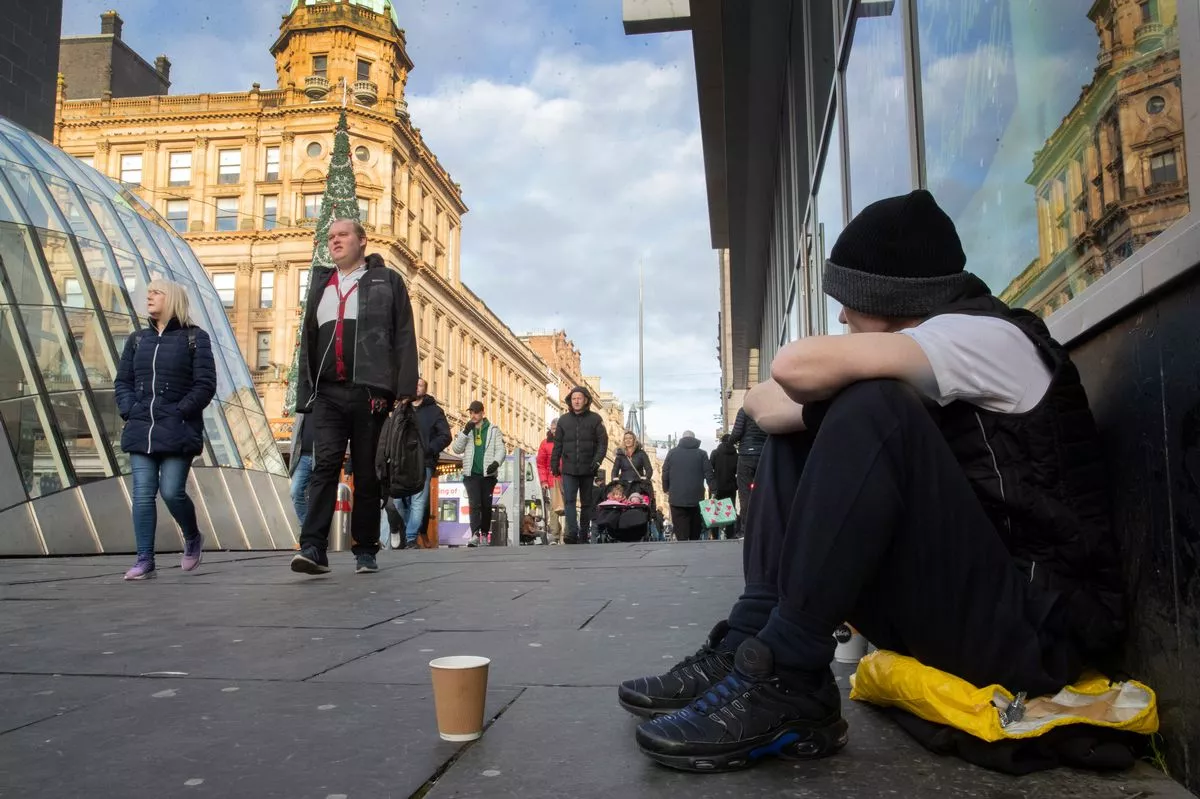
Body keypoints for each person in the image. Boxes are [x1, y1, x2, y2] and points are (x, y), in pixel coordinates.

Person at [618, 190, 1123, 774]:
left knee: (869, 404)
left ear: (892, 296)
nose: (840, 317)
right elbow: (770, 409)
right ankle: (751, 645)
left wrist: (811, 405)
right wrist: (807, 414)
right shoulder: (940, 349)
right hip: (980, 604)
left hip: (1038, 633)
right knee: (809, 424)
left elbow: (790, 371)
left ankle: (789, 676)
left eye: (850, 299)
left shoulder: (989, 337)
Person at [290, 219, 418, 576]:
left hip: (369, 393)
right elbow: (310, 343)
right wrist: (307, 391)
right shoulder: (322, 283)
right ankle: (313, 547)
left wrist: (402, 390)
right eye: (330, 237)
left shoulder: (386, 281)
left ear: (362, 241)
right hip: (328, 392)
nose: (335, 241)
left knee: (366, 472)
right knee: (324, 467)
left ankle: (365, 549)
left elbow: (404, 335)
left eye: (342, 235)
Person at [114, 278, 216, 580]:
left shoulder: (195, 338)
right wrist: (130, 409)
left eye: (156, 293)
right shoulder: (137, 340)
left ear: (171, 299)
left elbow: (205, 385)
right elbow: (123, 382)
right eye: (148, 293)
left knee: (172, 492)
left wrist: (179, 411)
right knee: (143, 494)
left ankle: (193, 536)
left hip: (178, 428)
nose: (149, 298)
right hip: (141, 427)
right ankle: (145, 559)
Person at [392, 377, 451, 549]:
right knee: (398, 500)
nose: (416, 387)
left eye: (420, 385)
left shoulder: (434, 411)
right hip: (401, 462)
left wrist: (428, 449)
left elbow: (445, 436)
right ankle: (406, 530)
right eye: (414, 384)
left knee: (418, 500)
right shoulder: (401, 408)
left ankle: (410, 537)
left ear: (425, 390)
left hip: (423, 462)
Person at [551, 386, 608, 544]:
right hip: (568, 468)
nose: (576, 401)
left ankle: (583, 533)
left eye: (580, 398)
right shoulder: (563, 420)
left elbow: (603, 443)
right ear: (570, 400)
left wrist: (597, 461)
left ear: (586, 400)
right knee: (569, 501)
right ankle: (572, 532)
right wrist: (554, 463)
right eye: (574, 398)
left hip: (588, 468)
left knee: (586, 503)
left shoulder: (595, 419)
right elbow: (558, 445)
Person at [452, 400, 506, 547]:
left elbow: (501, 449)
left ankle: (484, 534)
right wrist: (464, 432)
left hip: (487, 476)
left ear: (482, 413)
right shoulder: (467, 430)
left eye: (476, 412)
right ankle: (475, 534)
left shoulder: (493, 430)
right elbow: (456, 449)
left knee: (486, 505)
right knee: (474, 504)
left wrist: (496, 463)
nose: (473, 415)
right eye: (471, 413)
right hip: (471, 474)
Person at [660, 431, 714, 542]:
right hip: (696, 496)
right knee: (695, 529)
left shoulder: (672, 453)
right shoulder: (702, 454)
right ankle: (694, 548)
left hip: (676, 497)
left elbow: (665, 472)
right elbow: (709, 473)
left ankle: (683, 549)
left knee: (681, 531)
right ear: (694, 439)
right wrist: (713, 490)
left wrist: (666, 488)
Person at [730, 407, 766, 539]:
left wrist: (731, 441)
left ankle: (746, 530)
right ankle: (764, 527)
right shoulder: (767, 408)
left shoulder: (745, 410)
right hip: (764, 454)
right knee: (764, 493)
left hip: (746, 455)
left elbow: (737, 432)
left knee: (745, 494)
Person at [535, 421, 563, 544]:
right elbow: (540, 464)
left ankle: (568, 532)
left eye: (556, 428)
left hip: (568, 478)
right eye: (552, 428)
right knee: (554, 507)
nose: (554, 431)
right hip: (553, 480)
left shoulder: (567, 441)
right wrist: (544, 481)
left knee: (569, 506)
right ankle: (555, 536)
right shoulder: (545, 443)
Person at [289, 412, 315, 525]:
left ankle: (316, 533)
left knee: (317, 496)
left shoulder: (327, 404)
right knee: (295, 491)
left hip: (320, 456)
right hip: (302, 456)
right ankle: (307, 528)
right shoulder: (303, 407)